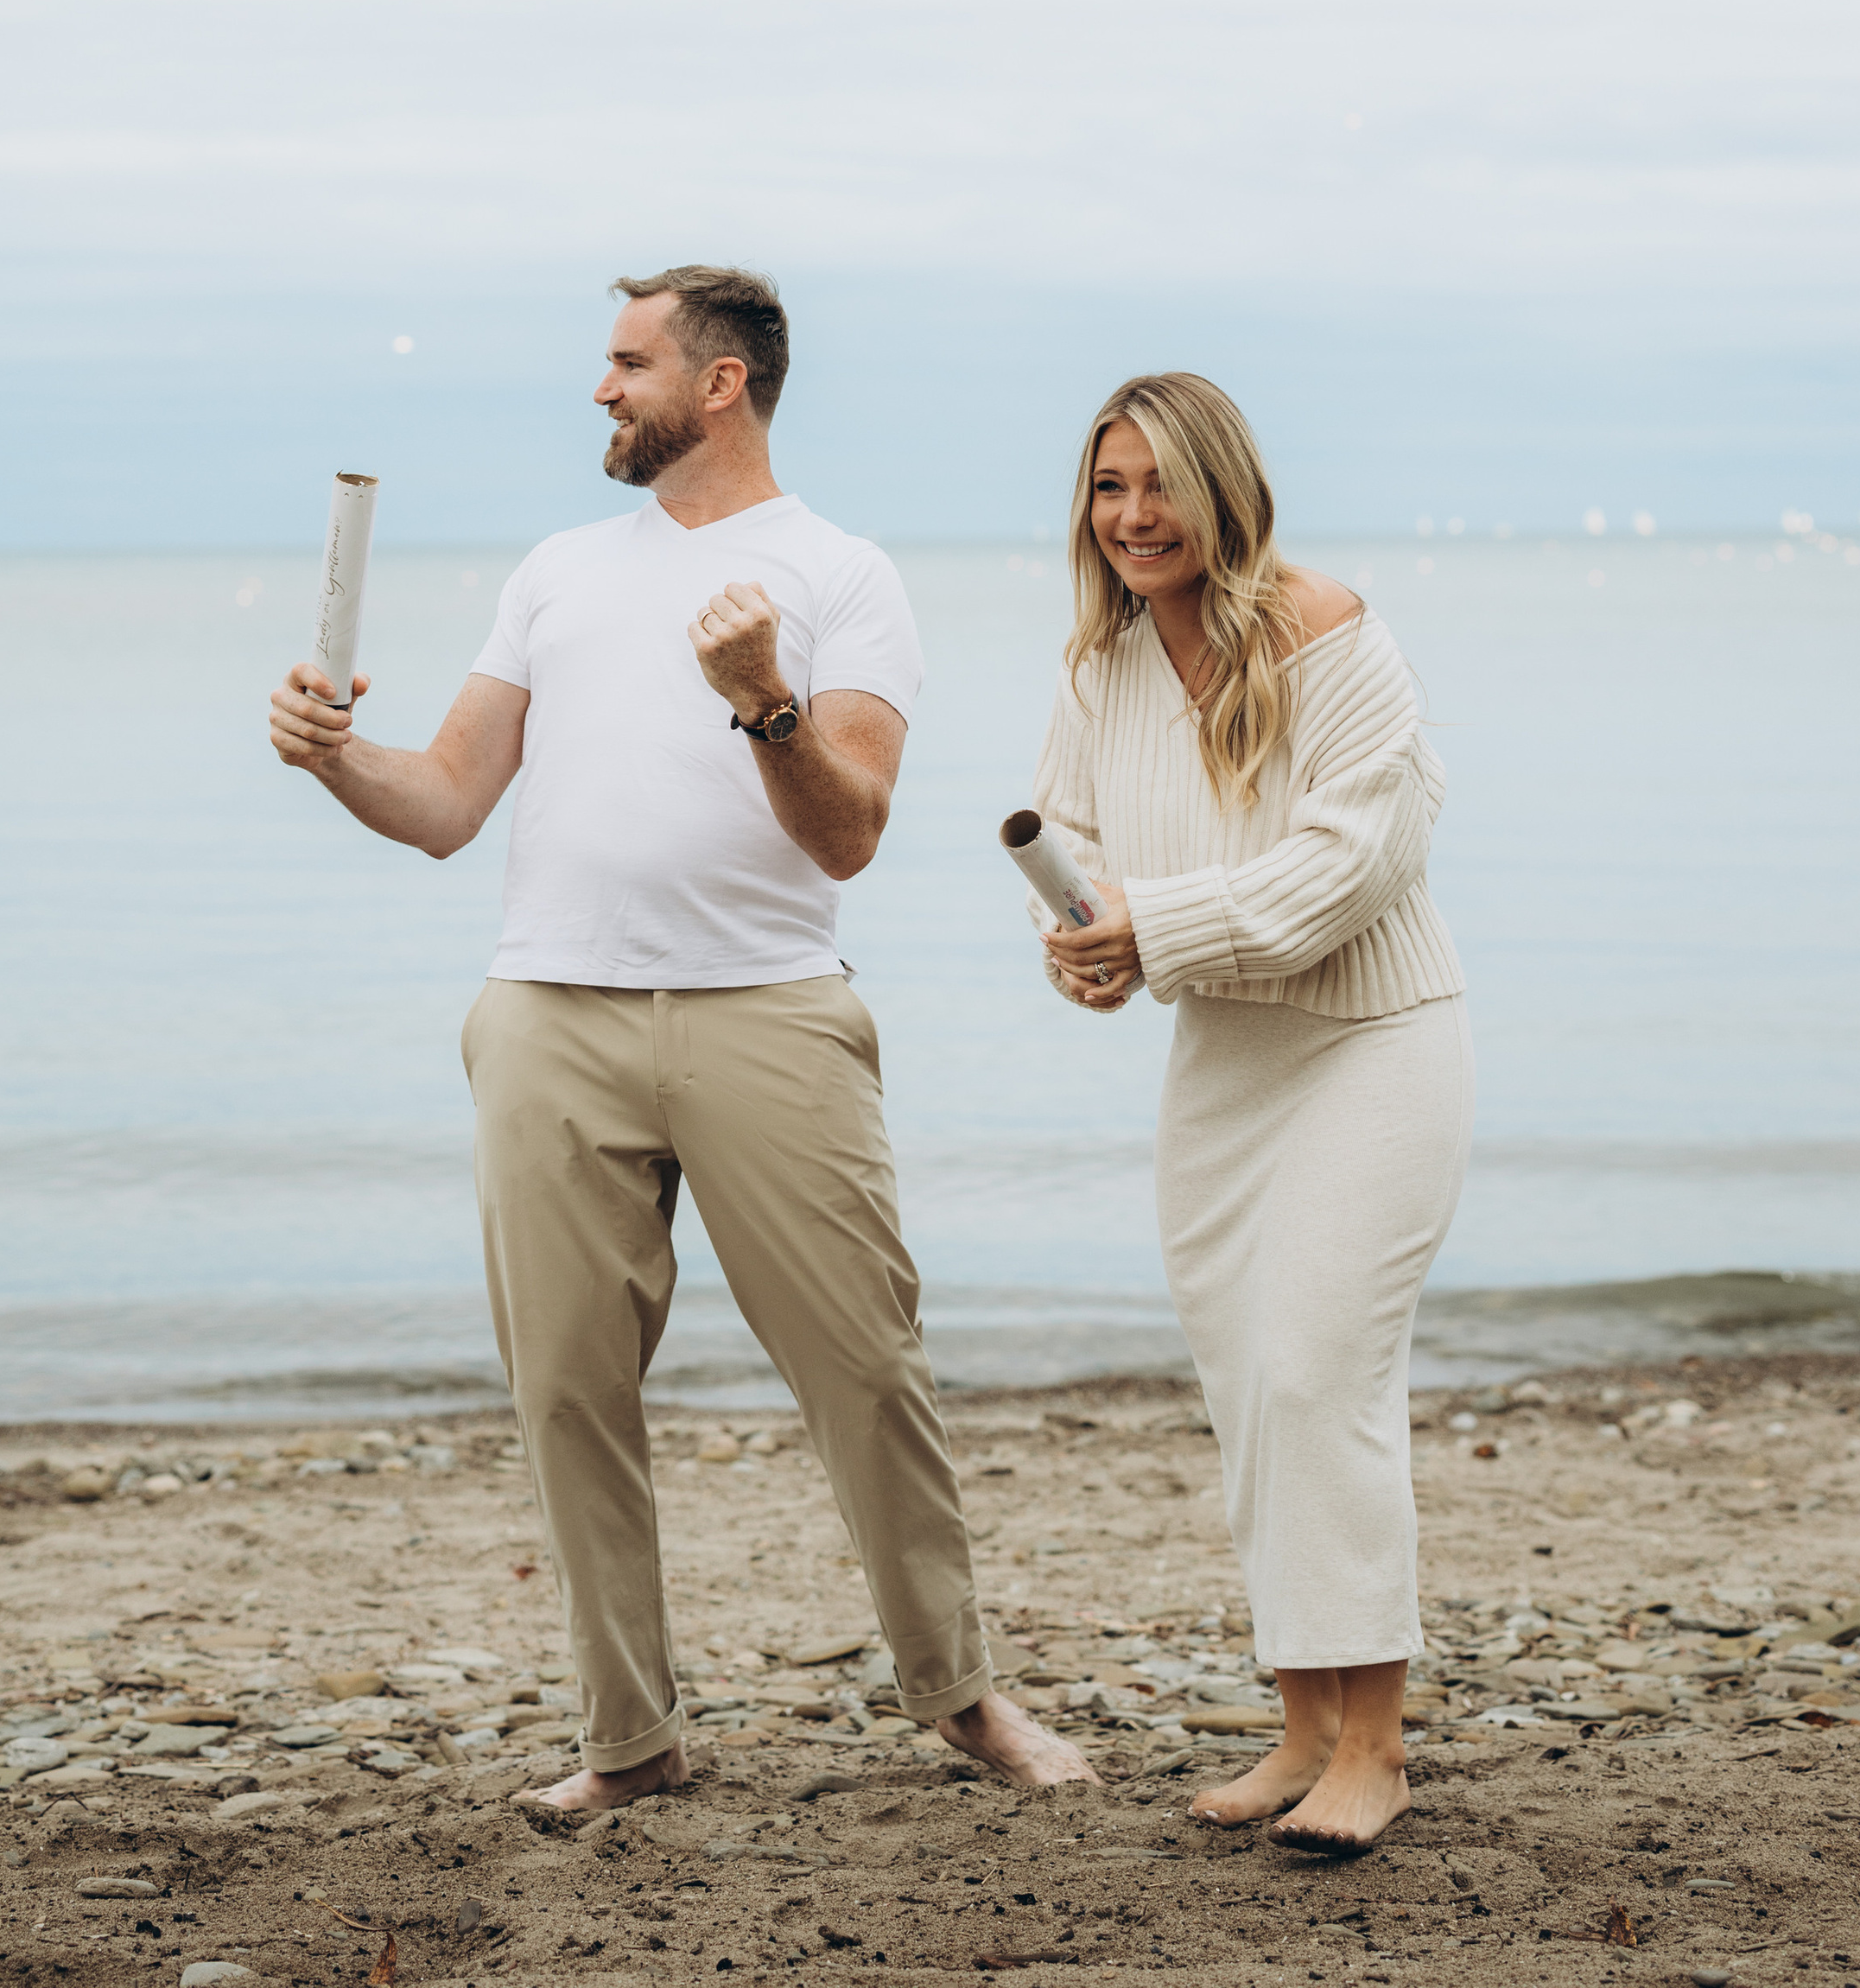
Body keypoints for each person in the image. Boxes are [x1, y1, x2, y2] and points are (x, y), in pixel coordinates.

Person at [269, 264, 1090, 1808]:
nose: (600, 387)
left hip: (770, 1011)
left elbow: (847, 833)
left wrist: (763, 699)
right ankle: (629, 1744)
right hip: (547, 1014)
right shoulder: (559, 571)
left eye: (627, 362)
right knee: (568, 1390)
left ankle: (963, 1696)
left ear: (720, 384)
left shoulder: (844, 574)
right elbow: (444, 804)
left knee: (865, 1369)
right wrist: (333, 759)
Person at [1032, 372, 1470, 1853]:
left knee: (1317, 1373)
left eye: (1161, 485)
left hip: (1375, 1041)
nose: (1135, 516)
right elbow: (1073, 830)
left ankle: (1377, 1746)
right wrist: (1086, 936)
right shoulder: (1101, 667)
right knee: (1247, 1392)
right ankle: (1299, 1727)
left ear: (1223, 490)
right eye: (1109, 487)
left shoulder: (1333, 631)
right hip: (1222, 1061)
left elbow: (1351, 869)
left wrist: (1149, 926)